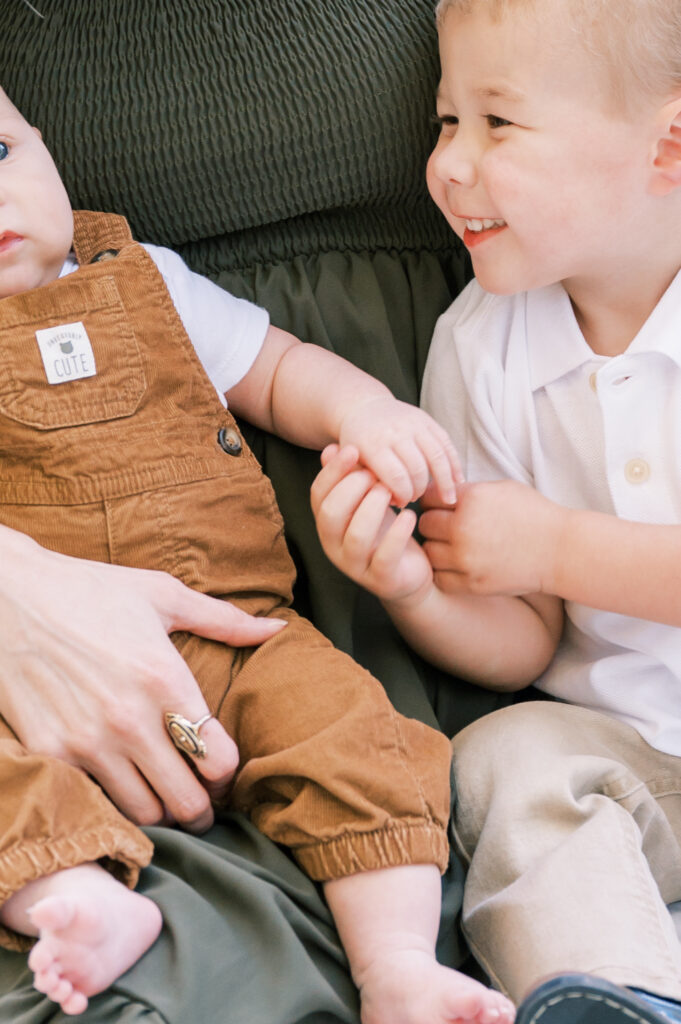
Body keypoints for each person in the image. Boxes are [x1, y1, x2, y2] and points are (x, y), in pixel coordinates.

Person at [0, 84, 519, 1024]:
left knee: (354, 733)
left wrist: (364, 413)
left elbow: (273, 368)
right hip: (25, 681)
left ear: (43, 139)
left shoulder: (143, 278)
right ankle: (75, 902)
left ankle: (396, 962)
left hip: (238, 630)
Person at [310, 0, 681, 1022]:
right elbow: (526, 640)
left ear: (669, 147)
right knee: (501, 758)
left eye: (498, 124)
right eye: (444, 122)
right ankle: (616, 992)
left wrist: (555, 543)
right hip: (630, 759)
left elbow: (548, 558)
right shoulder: (484, 344)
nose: (450, 166)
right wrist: (416, 586)